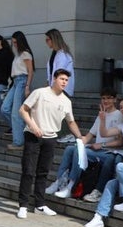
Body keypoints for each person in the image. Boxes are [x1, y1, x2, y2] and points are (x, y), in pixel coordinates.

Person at [15, 69, 83, 219]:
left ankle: (39, 204)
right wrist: (33, 126)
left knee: (43, 171)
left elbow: (70, 122)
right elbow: (23, 110)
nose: (64, 82)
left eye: (66, 80)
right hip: (33, 135)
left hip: (51, 138)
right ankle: (23, 205)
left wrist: (80, 137)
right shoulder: (40, 93)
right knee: (28, 170)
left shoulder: (66, 101)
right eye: (62, 79)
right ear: (54, 79)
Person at [46, 88, 123, 202]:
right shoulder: (101, 115)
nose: (105, 101)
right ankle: (59, 182)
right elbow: (88, 137)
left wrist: (101, 145)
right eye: (103, 98)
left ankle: (71, 185)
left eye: (109, 98)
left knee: (78, 151)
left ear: (115, 99)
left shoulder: (119, 115)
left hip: (109, 152)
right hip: (97, 150)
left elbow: (120, 142)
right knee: (70, 148)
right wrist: (79, 141)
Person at [1, 31, 35, 151]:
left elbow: (30, 71)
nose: (14, 44)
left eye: (15, 42)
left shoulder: (25, 54)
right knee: (4, 108)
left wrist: (27, 86)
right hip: (15, 82)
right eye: (13, 42)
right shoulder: (18, 54)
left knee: (16, 113)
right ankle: (22, 131)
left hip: (21, 81)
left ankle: (19, 142)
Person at [45, 28, 74, 97]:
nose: (46, 42)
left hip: (62, 89)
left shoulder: (62, 55)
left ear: (53, 40)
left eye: (47, 40)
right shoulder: (55, 53)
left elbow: (59, 73)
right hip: (55, 87)